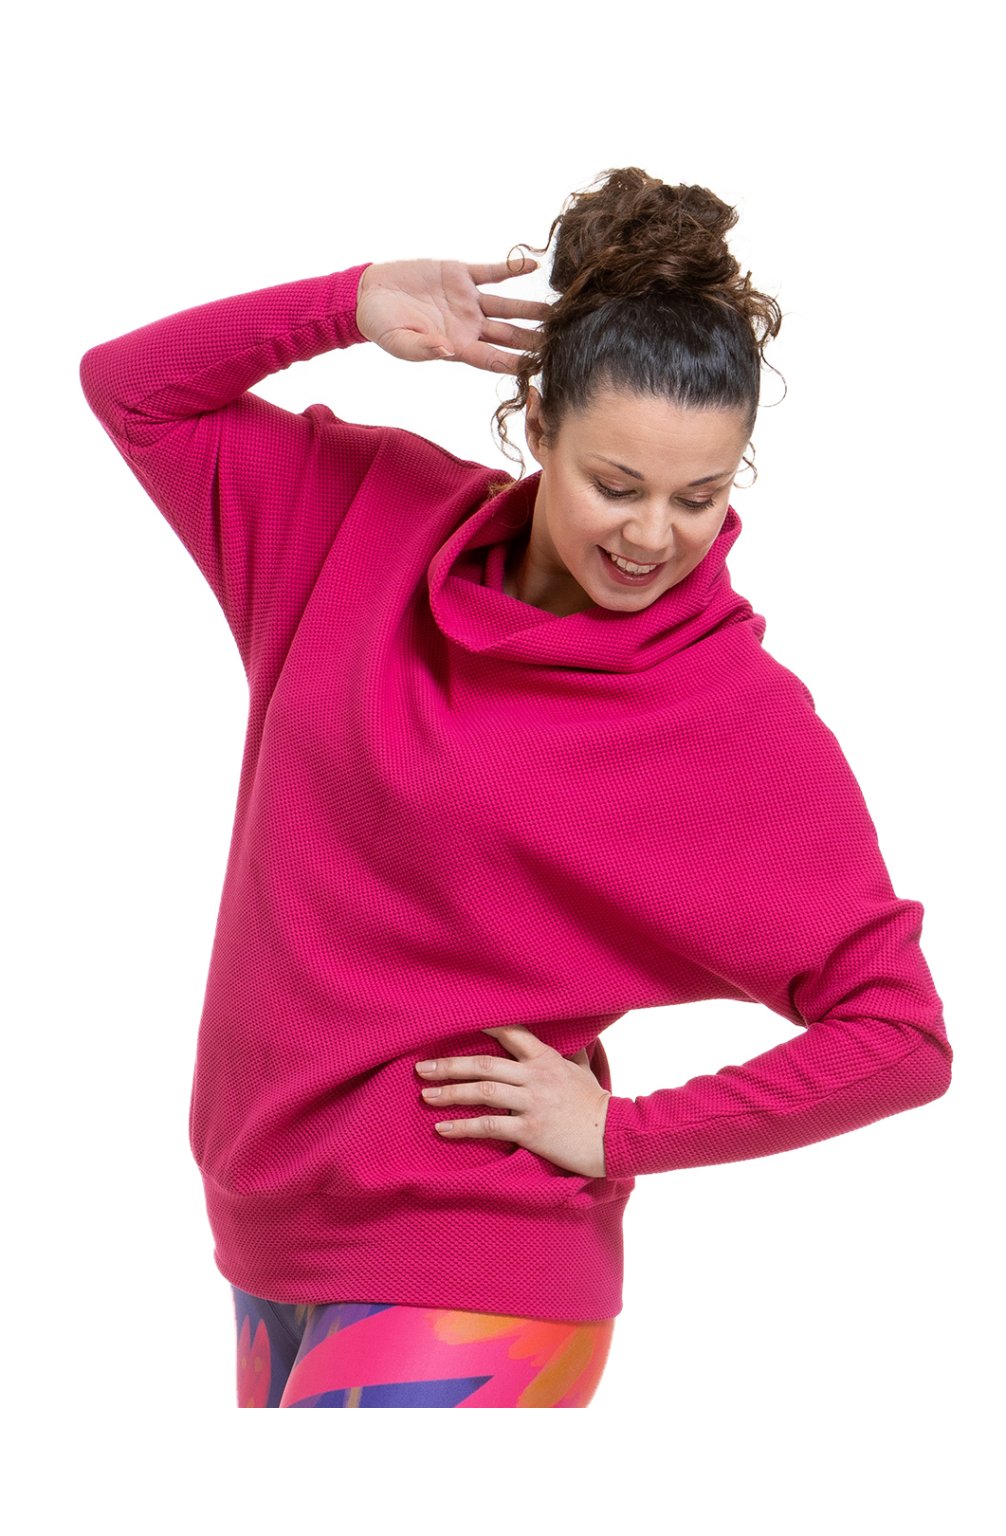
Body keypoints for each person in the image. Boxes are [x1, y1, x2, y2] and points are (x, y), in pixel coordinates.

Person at [79, 166, 953, 1408]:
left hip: (474, 1255)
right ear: (537, 427)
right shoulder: (360, 522)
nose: (651, 536)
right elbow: (133, 391)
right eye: (616, 484)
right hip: (267, 1225)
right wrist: (346, 304)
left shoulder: (731, 717)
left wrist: (621, 1132)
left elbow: (898, 1035)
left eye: (698, 496)